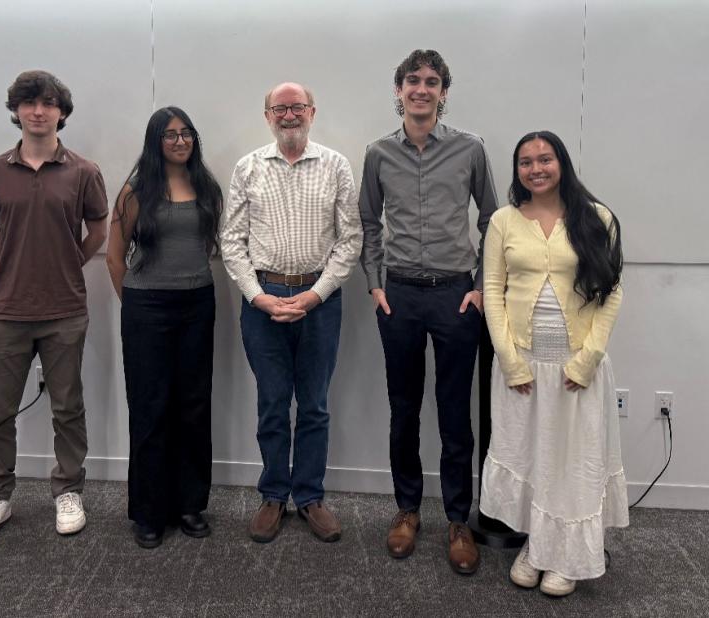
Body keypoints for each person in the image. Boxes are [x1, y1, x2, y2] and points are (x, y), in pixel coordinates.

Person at [359, 49, 498, 572]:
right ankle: (408, 510)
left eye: (431, 81)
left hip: (455, 295)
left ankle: (459, 519)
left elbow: (493, 220)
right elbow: (370, 224)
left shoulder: (470, 149)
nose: (421, 88)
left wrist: (481, 286)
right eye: (412, 80)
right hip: (398, 295)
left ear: (444, 91)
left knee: (454, 412)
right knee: (404, 409)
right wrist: (375, 285)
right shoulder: (377, 154)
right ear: (398, 90)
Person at [479, 130, 628, 597]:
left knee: (573, 461)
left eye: (545, 159)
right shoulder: (503, 220)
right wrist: (509, 361)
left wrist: (586, 361)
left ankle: (569, 556)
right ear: (517, 171)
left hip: (574, 368)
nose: (536, 169)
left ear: (561, 162)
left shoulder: (596, 217)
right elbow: (492, 292)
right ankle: (537, 547)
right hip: (522, 368)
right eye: (526, 162)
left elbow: (612, 293)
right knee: (533, 457)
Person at [0, 70, 108, 547]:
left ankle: (68, 491)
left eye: (48, 103)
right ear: (18, 112)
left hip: (65, 309)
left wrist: (66, 263)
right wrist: (12, 264)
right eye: (29, 103)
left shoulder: (84, 172)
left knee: (68, 408)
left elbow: (99, 231)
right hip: (6, 310)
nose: (38, 111)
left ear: (61, 112)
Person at [221, 82, 362, 543]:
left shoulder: (336, 166)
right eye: (279, 108)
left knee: (316, 405)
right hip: (262, 301)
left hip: (319, 302)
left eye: (296, 107)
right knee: (273, 403)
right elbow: (232, 241)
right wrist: (257, 296)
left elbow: (350, 240)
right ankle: (273, 495)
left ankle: (310, 497)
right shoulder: (248, 168)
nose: (288, 115)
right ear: (267, 116)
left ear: (312, 112)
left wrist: (315, 295)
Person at [106, 107, 223, 549]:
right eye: (170, 135)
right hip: (147, 309)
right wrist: (136, 305)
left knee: (194, 406)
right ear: (155, 141)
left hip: (197, 304)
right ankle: (150, 512)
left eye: (186, 133)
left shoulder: (206, 187)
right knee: (151, 409)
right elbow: (115, 258)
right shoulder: (136, 190)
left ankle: (190, 505)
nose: (180, 141)